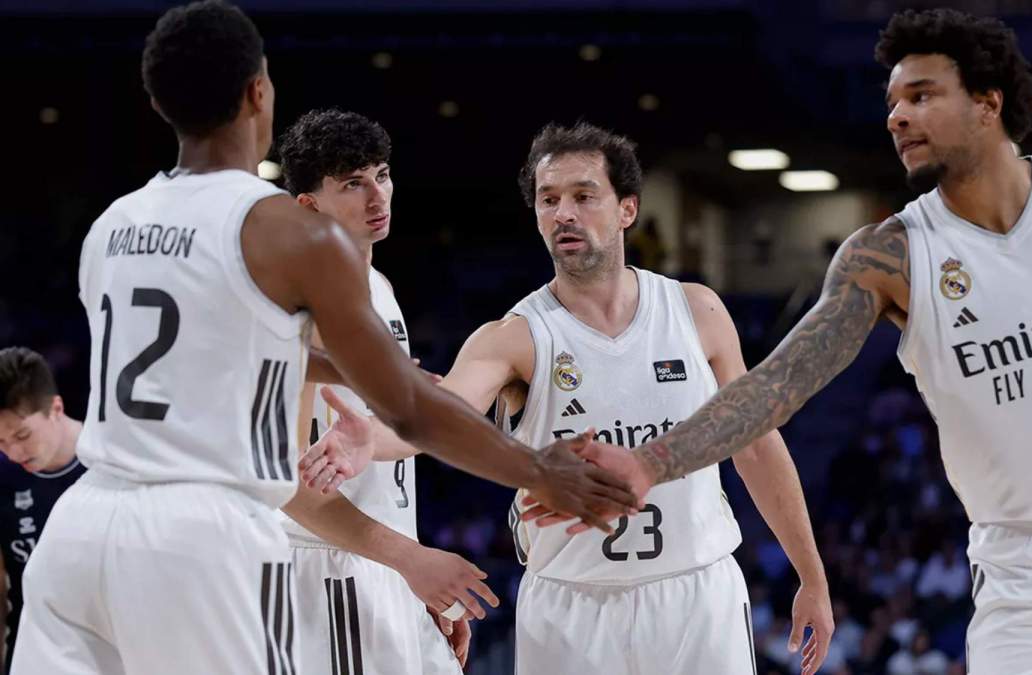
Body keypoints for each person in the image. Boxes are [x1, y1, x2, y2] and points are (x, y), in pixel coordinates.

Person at [528, 8, 1032, 674]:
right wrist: (649, 464)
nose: (896, 116)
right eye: (892, 102)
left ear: (988, 103)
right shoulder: (889, 257)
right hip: (1030, 572)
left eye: (921, 95)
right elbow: (774, 386)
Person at [10, 3, 637, 674]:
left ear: (160, 102)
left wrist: (335, 368)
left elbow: (205, 347)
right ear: (259, 90)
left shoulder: (113, 224)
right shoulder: (282, 231)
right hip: (199, 531)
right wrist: (540, 469)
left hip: (81, 528)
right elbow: (410, 410)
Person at [306, 121, 835, 675]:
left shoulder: (695, 312)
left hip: (697, 593)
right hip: (571, 608)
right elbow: (439, 416)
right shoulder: (512, 337)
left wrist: (813, 578)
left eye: (584, 196)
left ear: (627, 209)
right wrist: (375, 438)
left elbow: (755, 445)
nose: (564, 213)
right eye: (548, 199)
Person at [276, 108, 478, 674]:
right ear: (308, 205)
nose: (377, 196)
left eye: (382, 175)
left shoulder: (377, 286)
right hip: (328, 572)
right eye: (352, 184)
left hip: (383, 565)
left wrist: (413, 578)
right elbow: (284, 484)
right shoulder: (298, 303)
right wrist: (411, 561)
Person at [0, 348, 87, 672]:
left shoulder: (109, 461)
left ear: (56, 408)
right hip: (34, 655)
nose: (12, 452)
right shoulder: (3, 477)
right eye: (0, 442)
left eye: (22, 435)